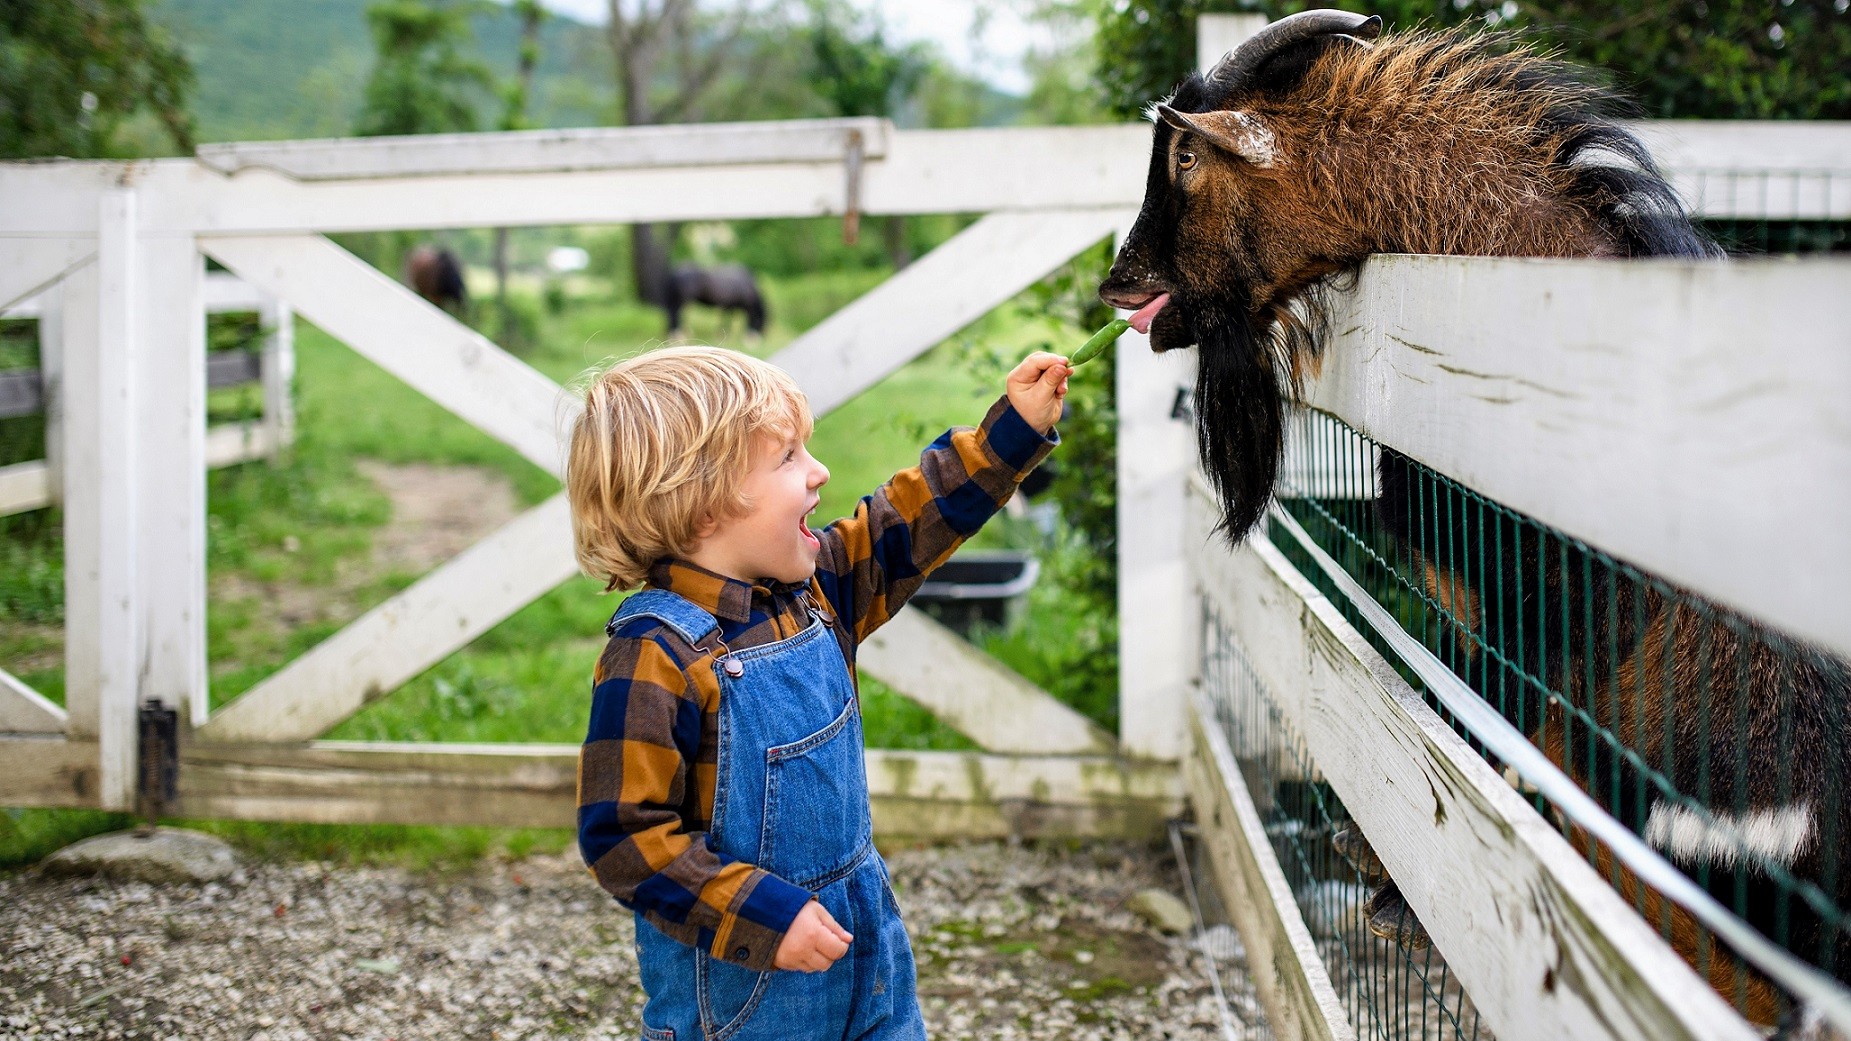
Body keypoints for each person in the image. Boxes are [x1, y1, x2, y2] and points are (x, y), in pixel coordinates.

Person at [565, 344, 1069, 1040]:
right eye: (788, 459)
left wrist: (1010, 432)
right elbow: (622, 834)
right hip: (744, 990)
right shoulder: (655, 653)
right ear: (703, 502)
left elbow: (909, 520)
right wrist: (762, 917)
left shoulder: (818, 591)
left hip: (865, 943)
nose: (819, 472)